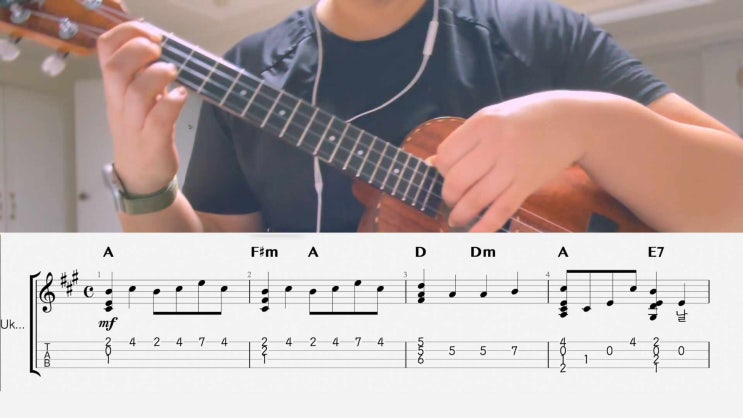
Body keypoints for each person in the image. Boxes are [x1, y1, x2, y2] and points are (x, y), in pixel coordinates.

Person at [96, 0, 743, 232]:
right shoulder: (248, 71)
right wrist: (146, 185)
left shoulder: (535, 33)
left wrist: (587, 125)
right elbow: (211, 268)